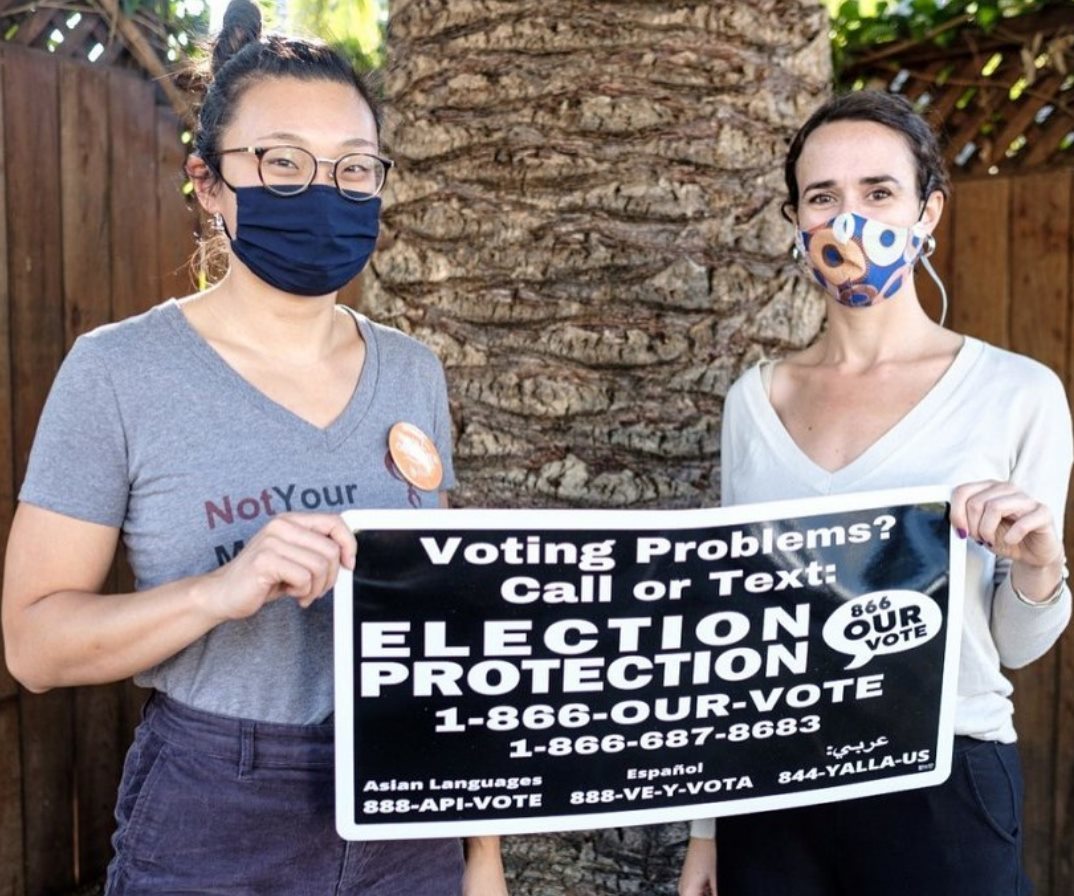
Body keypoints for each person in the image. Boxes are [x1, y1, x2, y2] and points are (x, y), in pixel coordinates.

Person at [0, 2, 507, 893]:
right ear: (207, 181)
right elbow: (35, 646)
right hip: (216, 809)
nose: (324, 190)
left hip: (408, 800)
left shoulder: (414, 373)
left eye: (355, 168)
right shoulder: (119, 371)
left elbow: (443, 628)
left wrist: (482, 855)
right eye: (282, 162)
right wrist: (219, 593)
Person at [678, 90, 1071, 896]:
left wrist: (1039, 568)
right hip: (774, 780)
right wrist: (706, 827)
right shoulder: (755, 402)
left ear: (928, 212)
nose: (848, 218)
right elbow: (731, 625)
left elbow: (1016, 646)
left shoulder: (1018, 392)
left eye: (878, 193)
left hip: (943, 777)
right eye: (824, 197)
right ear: (797, 221)